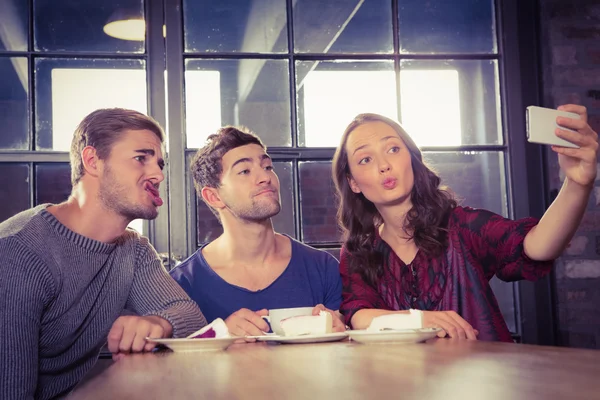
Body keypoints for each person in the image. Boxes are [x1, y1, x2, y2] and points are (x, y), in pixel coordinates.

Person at [332, 105, 598, 342]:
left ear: (412, 159)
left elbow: (539, 246)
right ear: (353, 181)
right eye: (365, 159)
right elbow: (359, 317)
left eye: (393, 149)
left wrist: (577, 183)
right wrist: (420, 320)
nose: (384, 165)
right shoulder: (358, 251)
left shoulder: (462, 225)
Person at [0, 108, 207, 400]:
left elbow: (192, 317)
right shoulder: (17, 252)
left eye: (159, 163)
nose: (158, 174)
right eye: (141, 158)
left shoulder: (133, 249)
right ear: (92, 161)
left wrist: (159, 323)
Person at [170, 126, 345, 337]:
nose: (265, 177)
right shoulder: (181, 285)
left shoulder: (323, 269)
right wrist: (219, 336)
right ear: (214, 197)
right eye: (244, 171)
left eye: (268, 166)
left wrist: (340, 330)